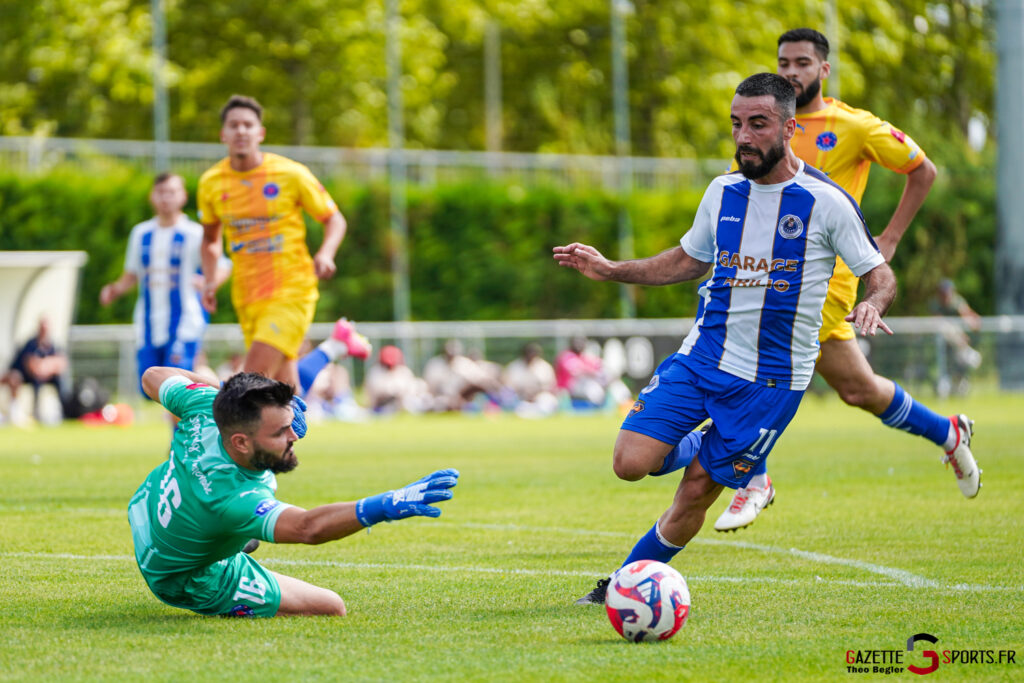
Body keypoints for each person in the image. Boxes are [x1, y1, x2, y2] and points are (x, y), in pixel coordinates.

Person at [555, 72, 900, 605]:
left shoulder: (825, 201)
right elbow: (688, 259)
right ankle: (697, 444)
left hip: (773, 381)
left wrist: (872, 305)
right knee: (629, 464)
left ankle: (619, 589)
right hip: (704, 358)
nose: (743, 136)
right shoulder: (722, 191)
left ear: (789, 128)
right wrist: (612, 269)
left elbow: (879, 273)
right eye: (737, 123)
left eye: (757, 124)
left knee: (696, 490)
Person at [697, 28, 978, 532]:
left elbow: (923, 171)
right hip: (768, 273)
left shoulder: (853, 126)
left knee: (746, 363)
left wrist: (887, 241)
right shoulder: (763, 125)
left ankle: (753, 478)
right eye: (783, 62)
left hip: (823, 281)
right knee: (858, 389)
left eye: (802, 63)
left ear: (823, 70)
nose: (791, 71)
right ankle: (947, 431)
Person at [127, 365, 458, 617]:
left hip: (147, 509)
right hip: (182, 576)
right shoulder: (232, 499)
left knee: (237, 528)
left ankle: (237, 539)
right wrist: (385, 504)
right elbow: (307, 528)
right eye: (281, 431)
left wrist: (228, 393)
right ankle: (231, 547)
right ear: (241, 442)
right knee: (331, 607)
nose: (294, 436)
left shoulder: (208, 406)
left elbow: (152, 376)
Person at [197, 94, 368, 389]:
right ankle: (335, 347)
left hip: (291, 289)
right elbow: (210, 239)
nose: (241, 131)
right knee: (283, 392)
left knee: (247, 384)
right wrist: (210, 280)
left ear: (260, 133)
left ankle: (207, 436)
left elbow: (334, 218)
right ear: (222, 134)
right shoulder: (211, 182)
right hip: (247, 296)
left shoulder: (290, 173)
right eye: (234, 125)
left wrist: (326, 253)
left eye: (248, 125)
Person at [100, 172, 231, 395]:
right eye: (161, 192)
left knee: (176, 384)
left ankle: (195, 421)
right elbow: (132, 274)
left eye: (171, 192)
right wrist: (115, 290)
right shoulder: (141, 233)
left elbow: (224, 265)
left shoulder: (194, 233)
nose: (165, 198)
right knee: (151, 385)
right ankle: (208, 394)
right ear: (152, 196)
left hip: (185, 321)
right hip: (148, 322)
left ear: (182, 197)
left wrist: (210, 283)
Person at [1, 318, 69, 424]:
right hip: (26, 375)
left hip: (46, 375)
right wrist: (43, 367)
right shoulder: (31, 344)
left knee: (60, 380)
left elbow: (62, 362)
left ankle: (65, 411)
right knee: (18, 378)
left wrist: (46, 366)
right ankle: (28, 412)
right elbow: (31, 365)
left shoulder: (52, 345)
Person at [932, 278, 983, 397]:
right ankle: (967, 353)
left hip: (960, 341)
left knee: (959, 366)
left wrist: (974, 323)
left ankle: (965, 353)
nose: (946, 295)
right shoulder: (935, 304)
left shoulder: (957, 302)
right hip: (944, 342)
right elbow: (936, 321)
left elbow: (967, 315)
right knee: (945, 327)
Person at [363, 345, 431, 414]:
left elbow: (412, 388)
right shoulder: (375, 372)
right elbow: (376, 395)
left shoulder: (403, 371)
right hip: (383, 405)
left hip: (405, 402)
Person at [503, 342, 559, 417]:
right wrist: (524, 393)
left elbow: (550, 385)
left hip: (539, 397)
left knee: (548, 400)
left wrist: (535, 394)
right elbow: (509, 386)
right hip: (520, 398)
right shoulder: (514, 367)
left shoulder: (544, 367)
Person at [554, 336, 607, 409]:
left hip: (582, 386)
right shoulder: (566, 356)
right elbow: (576, 372)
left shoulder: (585, 356)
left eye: (581, 342)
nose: (579, 345)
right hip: (567, 388)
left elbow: (598, 370)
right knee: (591, 387)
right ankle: (598, 406)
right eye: (577, 342)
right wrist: (589, 371)